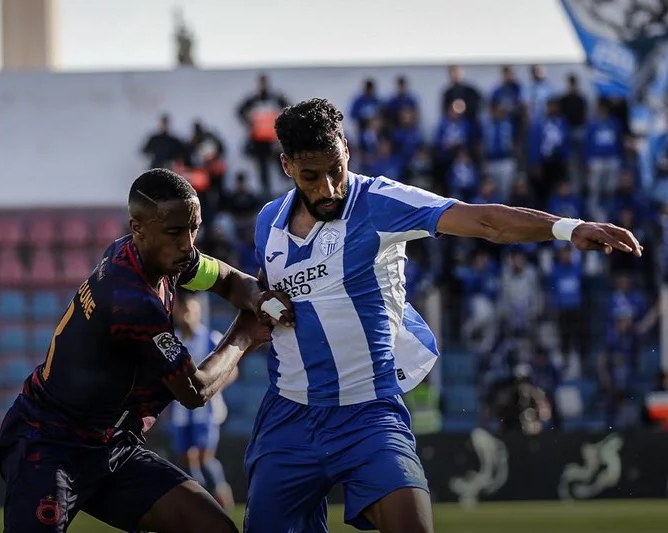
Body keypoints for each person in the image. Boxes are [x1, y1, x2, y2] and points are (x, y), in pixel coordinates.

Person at [246, 97, 642, 533]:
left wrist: (568, 228)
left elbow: (485, 222)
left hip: (368, 415)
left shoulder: (379, 201)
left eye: (335, 170)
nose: (328, 188)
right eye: (310, 176)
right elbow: (264, 293)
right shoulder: (268, 222)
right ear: (286, 166)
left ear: (346, 149)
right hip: (289, 416)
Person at [0, 168, 292, 533]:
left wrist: (258, 298)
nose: (187, 243)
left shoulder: (158, 258)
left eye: (193, 228)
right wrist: (245, 335)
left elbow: (230, 280)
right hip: (50, 444)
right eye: (174, 232)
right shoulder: (133, 301)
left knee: (214, 528)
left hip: (112, 449)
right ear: (138, 227)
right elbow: (195, 390)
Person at [169, 292, 236, 510]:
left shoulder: (211, 338)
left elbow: (231, 369)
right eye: (184, 310)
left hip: (206, 409)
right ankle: (202, 503)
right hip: (180, 410)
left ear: (199, 313)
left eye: (192, 310)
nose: (187, 314)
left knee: (203, 457)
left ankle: (220, 497)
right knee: (186, 459)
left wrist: (215, 387)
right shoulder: (173, 341)